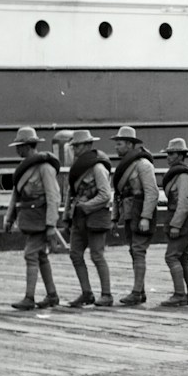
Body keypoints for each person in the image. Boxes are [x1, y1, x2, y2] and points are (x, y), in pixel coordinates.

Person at [5, 126, 62, 311]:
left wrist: (51, 224)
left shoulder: (45, 168)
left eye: (19, 146)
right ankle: (52, 295)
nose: (17, 149)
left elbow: (53, 196)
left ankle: (29, 297)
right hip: (29, 219)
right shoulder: (24, 169)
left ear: (28, 146)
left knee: (30, 255)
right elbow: (17, 195)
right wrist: (9, 218)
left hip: (41, 219)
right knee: (40, 256)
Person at [62, 129, 115, 307]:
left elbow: (105, 195)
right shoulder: (78, 167)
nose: (75, 149)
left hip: (96, 217)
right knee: (75, 254)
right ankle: (86, 293)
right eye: (73, 146)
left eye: (77, 145)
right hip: (79, 218)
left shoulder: (97, 167)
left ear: (87, 145)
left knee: (97, 255)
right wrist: (67, 215)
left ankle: (106, 294)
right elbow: (72, 192)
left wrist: (87, 206)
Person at [110, 126, 159, 307]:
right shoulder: (124, 167)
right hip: (130, 214)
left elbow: (152, 192)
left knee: (138, 251)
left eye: (120, 144)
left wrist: (146, 217)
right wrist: (115, 218)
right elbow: (118, 194)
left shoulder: (143, 165)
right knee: (133, 251)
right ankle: (140, 291)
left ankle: (137, 292)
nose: (116, 147)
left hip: (140, 213)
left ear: (130, 144)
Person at [157, 138, 188, 307]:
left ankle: (179, 294)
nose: (169, 157)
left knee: (171, 257)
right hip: (185, 220)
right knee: (183, 258)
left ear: (181, 155)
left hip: (181, 222)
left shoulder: (182, 176)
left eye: (172, 154)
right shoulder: (180, 174)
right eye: (168, 154)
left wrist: (176, 224)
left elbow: (184, 202)